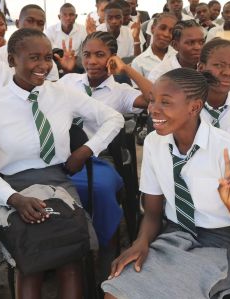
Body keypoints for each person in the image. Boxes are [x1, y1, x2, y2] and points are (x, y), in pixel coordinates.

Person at [0, 28, 124, 299]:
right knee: (32, 259)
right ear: (11, 60)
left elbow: (114, 118)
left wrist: (86, 150)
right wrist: (14, 198)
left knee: (70, 257)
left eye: (47, 57)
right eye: (34, 58)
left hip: (59, 182)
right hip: (14, 185)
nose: (43, 66)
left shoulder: (61, 93)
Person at [101, 67, 230, 299]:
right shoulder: (155, 143)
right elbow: (153, 213)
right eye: (152, 100)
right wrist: (141, 242)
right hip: (176, 236)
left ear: (194, 107)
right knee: (116, 291)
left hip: (222, 245)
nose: (153, 109)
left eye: (165, 102)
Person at [57, 31, 152, 247]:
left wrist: (126, 69)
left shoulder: (120, 91)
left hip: (99, 158)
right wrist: (65, 71)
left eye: (100, 55)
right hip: (63, 155)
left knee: (99, 189)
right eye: (87, 54)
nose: (91, 61)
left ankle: (103, 243)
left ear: (112, 57)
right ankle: (63, 242)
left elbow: (155, 98)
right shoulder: (69, 81)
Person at [0, 4, 60, 81]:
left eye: (40, 24)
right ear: (17, 23)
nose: (35, 27)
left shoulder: (48, 61)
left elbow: (53, 89)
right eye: (30, 21)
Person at [131, 12, 178, 79]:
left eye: (171, 31)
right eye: (162, 28)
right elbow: (137, 88)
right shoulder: (139, 62)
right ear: (152, 29)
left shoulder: (178, 56)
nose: (166, 34)